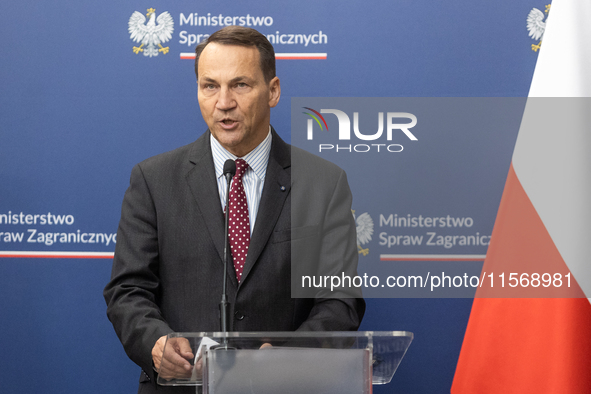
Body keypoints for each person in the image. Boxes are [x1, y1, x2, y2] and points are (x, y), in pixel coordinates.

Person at [104, 25, 365, 393]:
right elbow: (128, 290)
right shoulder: (153, 180)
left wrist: (289, 356)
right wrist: (156, 342)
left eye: (240, 85)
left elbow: (340, 301)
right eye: (210, 85)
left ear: (272, 91)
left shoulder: (323, 182)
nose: (223, 102)